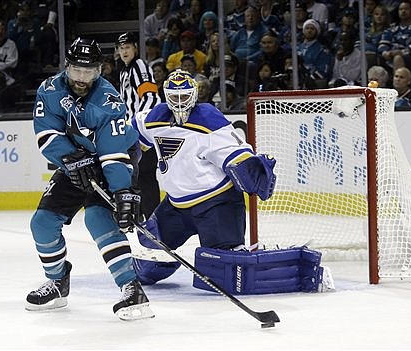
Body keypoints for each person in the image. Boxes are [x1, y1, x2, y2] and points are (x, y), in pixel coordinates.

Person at [26, 37, 153, 321]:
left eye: (89, 72)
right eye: (76, 71)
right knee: (42, 224)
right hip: (75, 156)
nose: (82, 78)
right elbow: (46, 134)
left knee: (98, 217)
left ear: (99, 70)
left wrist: (122, 192)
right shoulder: (49, 90)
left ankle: (131, 288)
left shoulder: (108, 101)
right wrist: (71, 158)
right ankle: (58, 282)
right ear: (67, 66)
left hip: (114, 156)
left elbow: (113, 153)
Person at [130, 69, 276, 285]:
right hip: (176, 206)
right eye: (174, 97)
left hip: (217, 206)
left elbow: (235, 149)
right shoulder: (155, 117)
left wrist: (248, 167)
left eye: (184, 96)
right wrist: (118, 158)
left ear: (194, 95)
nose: (180, 103)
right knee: (147, 265)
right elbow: (133, 133)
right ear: (166, 95)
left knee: (226, 275)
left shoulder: (208, 118)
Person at [116, 32, 162, 220]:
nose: (124, 51)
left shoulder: (139, 66)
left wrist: (137, 125)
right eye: (121, 48)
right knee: (138, 176)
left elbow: (151, 98)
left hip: (142, 132)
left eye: (128, 47)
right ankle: (143, 218)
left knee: (145, 175)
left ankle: (153, 220)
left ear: (135, 48)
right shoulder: (124, 71)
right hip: (132, 133)